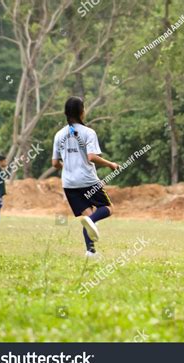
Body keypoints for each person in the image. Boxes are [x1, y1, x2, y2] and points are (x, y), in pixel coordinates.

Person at [52, 97, 120, 257]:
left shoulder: (59, 135)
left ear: (66, 113)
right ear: (82, 112)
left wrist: (67, 167)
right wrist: (110, 164)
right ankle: (90, 244)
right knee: (108, 208)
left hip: (69, 184)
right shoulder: (88, 132)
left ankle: (90, 252)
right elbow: (91, 157)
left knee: (89, 217)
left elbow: (55, 163)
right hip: (87, 180)